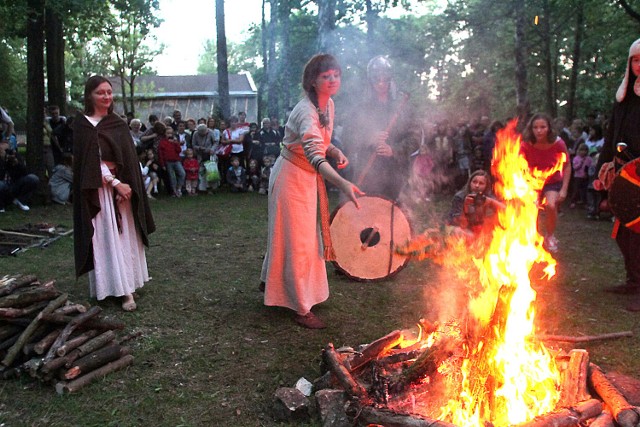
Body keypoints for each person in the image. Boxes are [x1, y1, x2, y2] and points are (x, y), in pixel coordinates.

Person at [260, 54, 363, 329]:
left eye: (336, 75)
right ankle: (301, 306)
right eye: (326, 76)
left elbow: (321, 144)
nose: (332, 81)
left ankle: (273, 285)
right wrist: (342, 183)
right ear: (313, 81)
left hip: (304, 177)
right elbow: (315, 156)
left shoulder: (328, 104)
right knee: (298, 242)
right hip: (291, 177)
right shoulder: (306, 111)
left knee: (297, 237)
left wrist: (335, 149)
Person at [72, 75, 155, 312]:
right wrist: (116, 183)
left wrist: (125, 186)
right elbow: (90, 162)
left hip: (122, 193)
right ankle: (112, 286)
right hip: (98, 191)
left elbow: (127, 157)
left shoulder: (117, 123)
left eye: (109, 92)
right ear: (90, 95)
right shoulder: (82, 124)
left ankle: (128, 286)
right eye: (100, 92)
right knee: (104, 237)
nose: (106, 96)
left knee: (124, 237)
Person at [597, 38, 640, 309]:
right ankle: (633, 280)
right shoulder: (623, 98)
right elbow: (611, 135)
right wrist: (603, 166)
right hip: (624, 174)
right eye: (635, 60)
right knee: (624, 232)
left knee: (638, 232)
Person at [343, 55, 420, 201]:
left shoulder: (402, 107)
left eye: (385, 79)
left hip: (396, 175)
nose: (381, 83)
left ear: (390, 79)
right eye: (377, 79)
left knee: (395, 219)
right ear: (370, 81)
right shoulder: (360, 108)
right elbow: (347, 138)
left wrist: (394, 150)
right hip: (367, 174)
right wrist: (368, 138)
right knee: (367, 217)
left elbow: (415, 137)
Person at [520, 112, 571, 253]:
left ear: (549, 128)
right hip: (531, 181)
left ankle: (550, 235)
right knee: (531, 208)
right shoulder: (526, 144)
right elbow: (518, 165)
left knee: (550, 205)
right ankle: (532, 237)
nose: (539, 130)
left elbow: (567, 166)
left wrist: (564, 189)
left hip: (552, 181)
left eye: (542, 127)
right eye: (535, 127)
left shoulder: (558, 143)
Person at [446, 169, 505, 238]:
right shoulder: (460, 197)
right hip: (457, 227)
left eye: (481, 183)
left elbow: (507, 211)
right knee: (469, 237)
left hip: (478, 228)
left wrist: (491, 202)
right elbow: (460, 224)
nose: (477, 185)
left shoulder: (488, 197)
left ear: (486, 185)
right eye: (474, 182)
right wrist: (465, 207)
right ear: (470, 182)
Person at [0, 140, 39, 212]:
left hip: (14, 185)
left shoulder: (15, 155)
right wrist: (3, 161)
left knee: (33, 178)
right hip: (3, 186)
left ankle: (21, 201)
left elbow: (24, 173)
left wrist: (16, 163)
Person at [158, 126, 186, 197]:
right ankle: (174, 191)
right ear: (165, 134)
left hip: (176, 161)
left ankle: (179, 188)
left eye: (171, 133)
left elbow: (179, 150)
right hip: (168, 162)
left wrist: (176, 143)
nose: (169, 135)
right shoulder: (162, 142)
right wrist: (163, 164)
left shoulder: (175, 141)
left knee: (182, 173)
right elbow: (160, 154)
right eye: (168, 133)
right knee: (172, 177)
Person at [569, 143, 592, 209]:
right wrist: (580, 163)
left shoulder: (589, 159)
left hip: (585, 177)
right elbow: (575, 167)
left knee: (584, 191)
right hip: (577, 177)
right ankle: (573, 202)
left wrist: (587, 173)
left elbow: (590, 166)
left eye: (585, 150)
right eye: (581, 150)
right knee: (576, 190)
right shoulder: (576, 159)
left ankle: (584, 202)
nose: (583, 152)